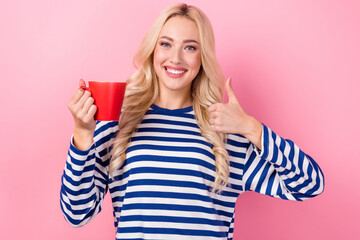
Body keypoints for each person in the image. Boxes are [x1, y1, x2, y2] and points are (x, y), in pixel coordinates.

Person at [60, 3, 325, 240]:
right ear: (152, 50)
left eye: (190, 47)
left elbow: (310, 184)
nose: (175, 58)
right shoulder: (119, 122)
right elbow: (76, 214)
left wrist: (250, 127)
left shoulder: (224, 132)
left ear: (202, 58)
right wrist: (83, 134)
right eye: (166, 44)